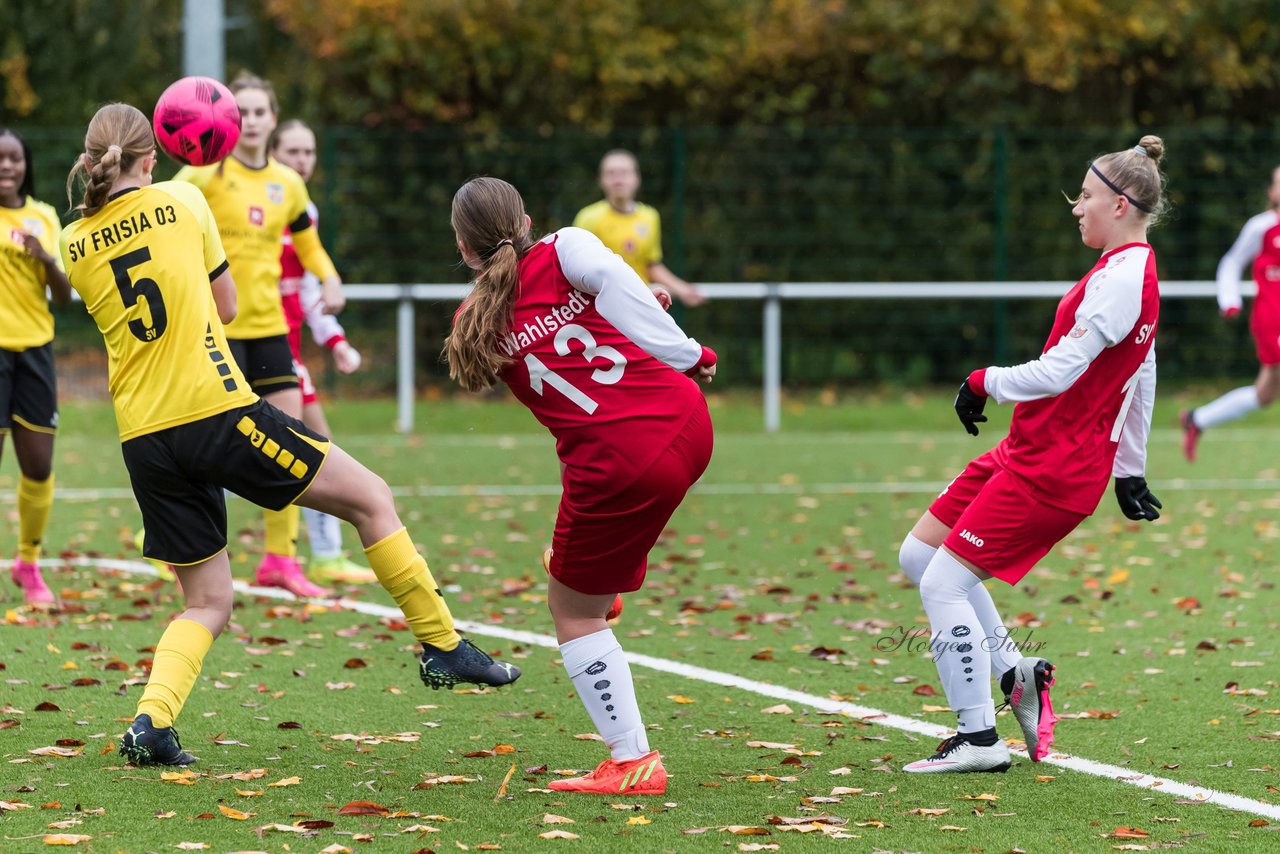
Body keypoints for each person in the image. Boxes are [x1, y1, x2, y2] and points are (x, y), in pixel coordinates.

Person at [60, 103, 520, 767]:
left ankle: (151, 725)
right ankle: (443, 644)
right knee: (370, 497)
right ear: (151, 158)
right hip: (214, 411)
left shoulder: (76, 244)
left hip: (143, 437)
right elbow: (226, 307)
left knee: (208, 600)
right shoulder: (184, 201)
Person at [898, 137, 1167, 773]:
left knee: (944, 583)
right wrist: (1130, 466)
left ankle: (979, 740)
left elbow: (1060, 372)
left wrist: (983, 378)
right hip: (1028, 449)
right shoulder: (1122, 269)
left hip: (1053, 468)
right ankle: (1015, 674)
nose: (1077, 208)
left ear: (1121, 204)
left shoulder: (1125, 276)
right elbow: (1144, 368)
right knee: (920, 555)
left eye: (1087, 197)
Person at [444, 177, 716, 795]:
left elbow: (547, 346)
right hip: (686, 422)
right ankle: (602, 581)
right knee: (582, 563)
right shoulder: (567, 247)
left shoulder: (472, 321)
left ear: (463, 248)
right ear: (528, 219)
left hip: (620, 464)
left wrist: (670, 343)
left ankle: (631, 762)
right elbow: (617, 291)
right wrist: (685, 351)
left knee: (571, 613)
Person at [174, 71, 342, 598]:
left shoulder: (288, 184)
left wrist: (331, 277)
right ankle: (175, 544)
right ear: (226, 118)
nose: (251, 121)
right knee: (204, 446)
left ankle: (280, 560)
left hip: (270, 329)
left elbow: (309, 248)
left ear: (273, 118)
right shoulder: (199, 177)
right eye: (241, 111)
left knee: (291, 441)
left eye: (261, 112)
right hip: (214, 329)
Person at [271, 119, 375, 585]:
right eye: (293, 151)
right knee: (301, 450)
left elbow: (310, 288)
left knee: (306, 448)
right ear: (274, 152)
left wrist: (336, 342)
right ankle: (316, 556)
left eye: (309, 152)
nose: (303, 160)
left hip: (283, 349)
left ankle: (322, 555)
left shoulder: (303, 208)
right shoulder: (257, 202)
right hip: (255, 344)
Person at [0, 127, 72, 606]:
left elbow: (65, 296)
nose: (7, 166)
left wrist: (46, 258)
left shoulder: (45, 217)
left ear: (26, 163)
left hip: (35, 353)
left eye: (14, 159)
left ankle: (28, 563)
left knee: (39, 465)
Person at [1180, 165, 1280, 461]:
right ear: (1272, 192)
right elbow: (1231, 263)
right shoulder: (1261, 227)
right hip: (1272, 318)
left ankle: (1197, 419)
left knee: (1264, 394)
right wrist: (1230, 300)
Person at [573, 149, 706, 308]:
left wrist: (683, 289)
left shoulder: (650, 217)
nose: (618, 179)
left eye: (624, 173)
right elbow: (576, 266)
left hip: (640, 302)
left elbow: (651, 265)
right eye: (611, 173)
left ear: (637, 179)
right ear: (601, 180)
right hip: (601, 306)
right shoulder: (588, 218)